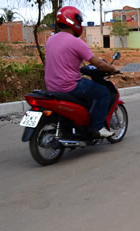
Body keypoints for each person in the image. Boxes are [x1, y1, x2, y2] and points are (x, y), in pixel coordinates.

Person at [44, 6, 119, 137]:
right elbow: (98, 63)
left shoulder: (50, 40)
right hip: (70, 86)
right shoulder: (76, 42)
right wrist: (113, 69)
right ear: (73, 21)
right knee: (103, 93)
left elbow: (63, 60)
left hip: (51, 86)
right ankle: (98, 128)